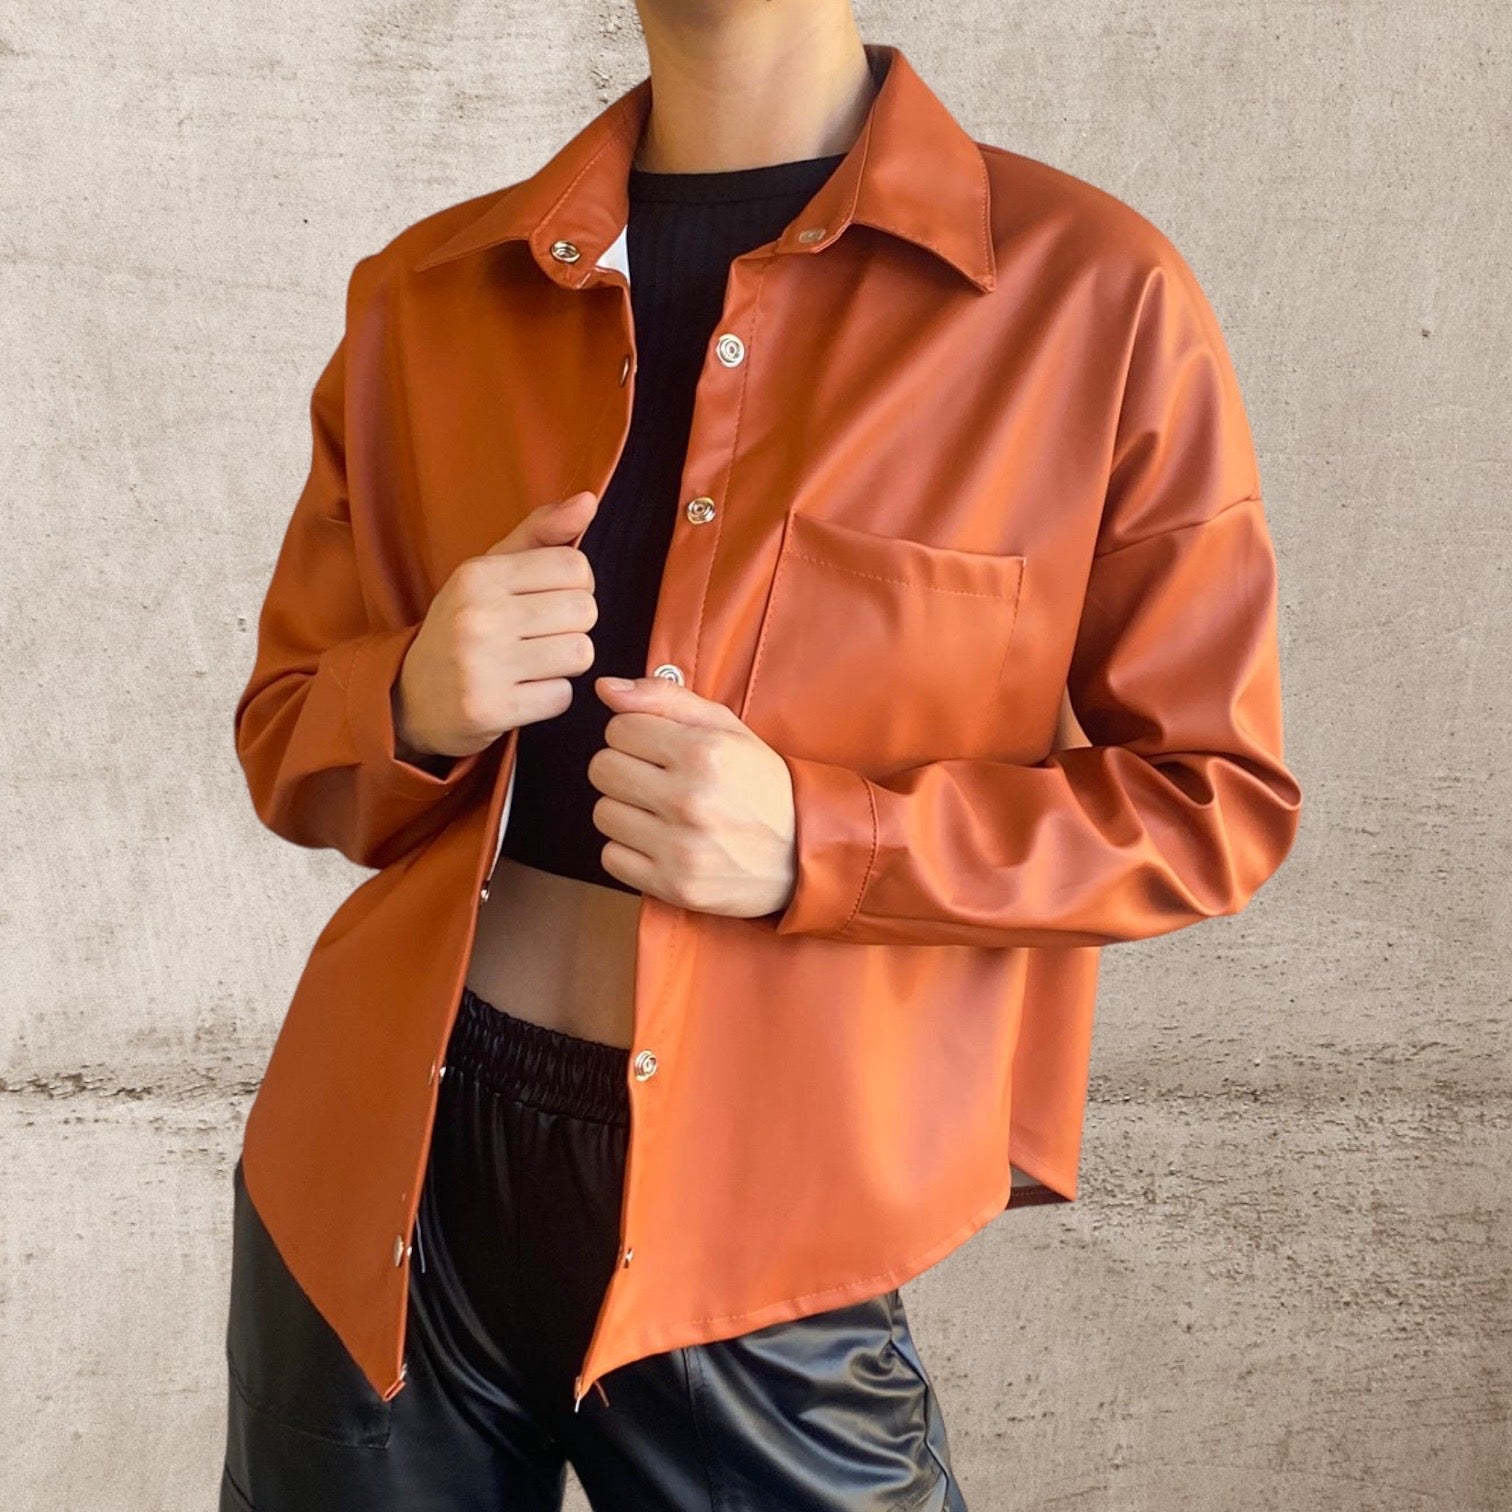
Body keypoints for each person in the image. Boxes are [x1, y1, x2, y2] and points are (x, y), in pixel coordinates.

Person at [220, 3, 1303, 1509]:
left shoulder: (1091, 298)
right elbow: (287, 736)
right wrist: (410, 699)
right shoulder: (427, 293)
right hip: (380, 1186)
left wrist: (822, 839)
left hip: (767, 1214)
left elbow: (1210, 801)